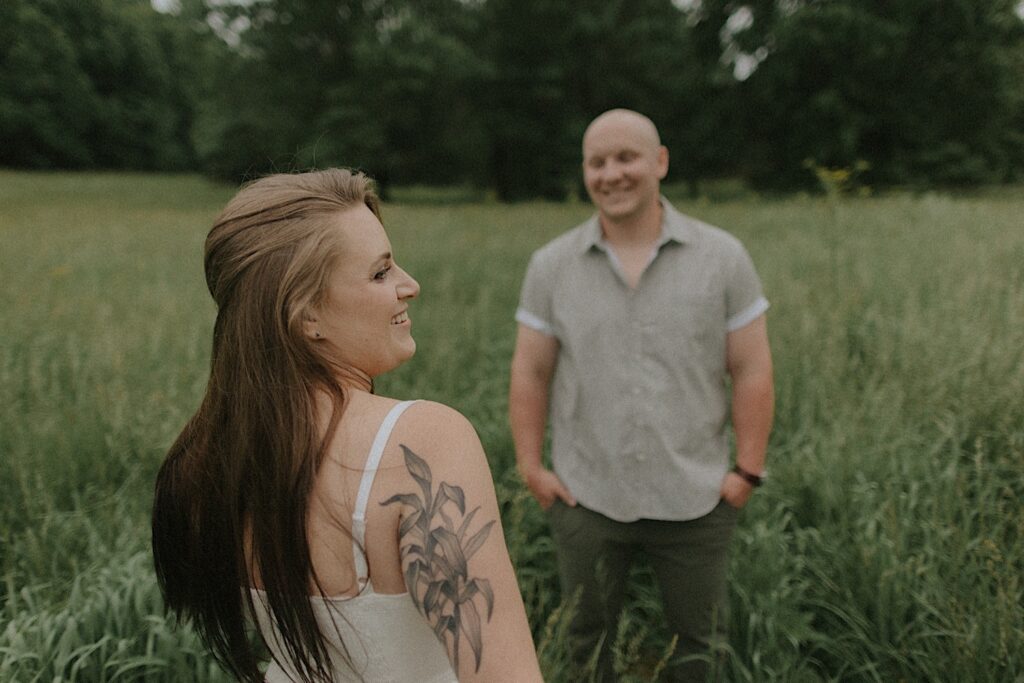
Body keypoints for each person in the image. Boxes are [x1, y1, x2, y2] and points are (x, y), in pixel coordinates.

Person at [152, 168, 542, 683]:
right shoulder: (421, 443)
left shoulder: (204, 459)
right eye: (380, 273)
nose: (410, 285)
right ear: (305, 315)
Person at [509, 109, 774, 682]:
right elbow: (531, 373)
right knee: (585, 642)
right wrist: (532, 468)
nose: (611, 174)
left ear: (659, 162)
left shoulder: (722, 257)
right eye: (596, 162)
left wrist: (746, 472)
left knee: (698, 646)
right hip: (586, 496)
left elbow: (751, 369)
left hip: (697, 496)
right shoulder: (551, 266)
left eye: (626, 157)